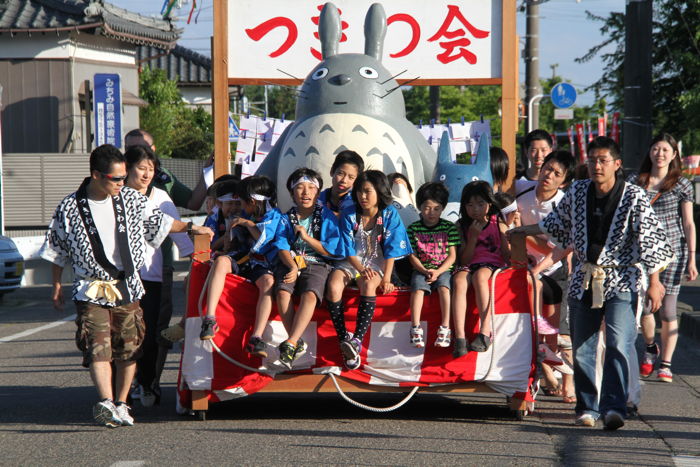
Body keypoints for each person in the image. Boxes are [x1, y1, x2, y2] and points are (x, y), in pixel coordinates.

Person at [39, 144, 212, 428]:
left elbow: (162, 222)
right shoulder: (70, 207)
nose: (122, 183)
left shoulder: (131, 199)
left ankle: (121, 403)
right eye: (116, 178)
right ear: (96, 175)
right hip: (90, 286)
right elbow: (57, 249)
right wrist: (56, 284)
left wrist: (193, 229)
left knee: (129, 347)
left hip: (127, 285)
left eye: (123, 177)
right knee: (98, 346)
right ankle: (106, 402)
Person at [508, 136, 674, 430]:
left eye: (603, 160)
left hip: (622, 277)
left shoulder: (634, 196)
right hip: (583, 277)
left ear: (617, 164)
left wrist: (655, 282)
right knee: (583, 346)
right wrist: (522, 230)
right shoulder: (578, 191)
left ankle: (614, 407)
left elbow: (651, 241)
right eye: (593, 160)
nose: (597, 165)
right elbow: (554, 226)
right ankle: (587, 407)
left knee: (618, 343)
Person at [123, 145, 194, 407]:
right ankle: (125, 385)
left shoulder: (161, 197)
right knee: (123, 333)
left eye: (151, 169)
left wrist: (198, 261)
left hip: (151, 278)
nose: (146, 174)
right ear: (127, 169)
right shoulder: (115, 198)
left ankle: (147, 382)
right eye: (141, 168)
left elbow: (182, 238)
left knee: (150, 333)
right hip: (120, 279)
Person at [325, 170, 412, 370]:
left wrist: (387, 278)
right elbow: (347, 248)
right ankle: (343, 337)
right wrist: (360, 268)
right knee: (333, 285)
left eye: (367, 192)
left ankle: (356, 339)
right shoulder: (349, 213)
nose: (362, 197)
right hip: (353, 262)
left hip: (376, 263)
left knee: (369, 284)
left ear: (379, 192)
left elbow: (392, 248)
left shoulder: (390, 213)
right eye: (359, 192)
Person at [630, 133, 697, 383]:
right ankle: (649, 347)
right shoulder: (635, 181)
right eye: (656, 149)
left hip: (672, 254)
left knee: (668, 310)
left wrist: (692, 259)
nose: (660, 154)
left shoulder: (682, 184)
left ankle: (666, 363)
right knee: (645, 307)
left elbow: (689, 224)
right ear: (649, 152)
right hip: (639, 254)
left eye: (665, 150)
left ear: (674, 155)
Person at [200, 175, 283, 360]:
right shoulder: (242, 214)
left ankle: (257, 337)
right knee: (221, 262)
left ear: (252, 201)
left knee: (268, 282)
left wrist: (247, 224)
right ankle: (210, 319)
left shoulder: (275, 216)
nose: (240, 207)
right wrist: (230, 234)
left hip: (263, 262)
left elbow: (263, 241)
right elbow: (230, 245)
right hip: (243, 257)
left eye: (242, 202)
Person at [516, 150, 577, 403]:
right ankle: (546, 374)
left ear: (563, 181)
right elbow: (509, 227)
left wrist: (525, 236)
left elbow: (561, 247)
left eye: (556, 173)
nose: (548, 176)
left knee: (560, 332)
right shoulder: (521, 196)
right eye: (547, 169)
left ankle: (569, 381)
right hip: (526, 271)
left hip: (555, 270)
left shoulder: (565, 203)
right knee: (533, 328)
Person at [273, 168, 343, 369]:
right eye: (300, 188)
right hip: (291, 261)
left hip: (317, 262)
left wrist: (306, 238)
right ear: (292, 193)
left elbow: (332, 251)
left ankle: (292, 341)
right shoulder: (286, 218)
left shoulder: (327, 216)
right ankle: (295, 341)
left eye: (311, 188)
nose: (306, 192)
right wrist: (292, 266)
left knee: (310, 293)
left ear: (317, 191)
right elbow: (281, 246)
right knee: (283, 293)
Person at [451, 181, 510, 356]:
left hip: (492, 263)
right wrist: (473, 237)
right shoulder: (460, 225)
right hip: (469, 264)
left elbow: (507, 254)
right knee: (459, 280)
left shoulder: (497, 221)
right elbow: (464, 259)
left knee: (480, 276)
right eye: (470, 205)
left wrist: (507, 234)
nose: (475, 209)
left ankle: (485, 331)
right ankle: (460, 337)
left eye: (480, 204)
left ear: (489, 204)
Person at [406, 182, 459, 348]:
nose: (431, 212)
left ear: (442, 208)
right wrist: (423, 269)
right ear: (420, 207)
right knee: (417, 288)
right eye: (427, 208)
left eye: (436, 208)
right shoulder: (413, 229)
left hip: (442, 269)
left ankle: (445, 327)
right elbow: (412, 256)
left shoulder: (449, 227)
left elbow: (452, 256)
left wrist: (438, 271)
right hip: (421, 269)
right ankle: (415, 327)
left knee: (445, 288)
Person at [318, 150, 364, 214]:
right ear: (332, 171)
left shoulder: (357, 202)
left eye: (351, 177)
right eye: (340, 173)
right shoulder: (318, 199)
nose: (344, 180)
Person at [515, 129, 553, 196]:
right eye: (534, 150)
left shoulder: (557, 181)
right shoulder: (517, 181)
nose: (539, 155)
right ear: (526, 151)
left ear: (550, 151)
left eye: (543, 150)